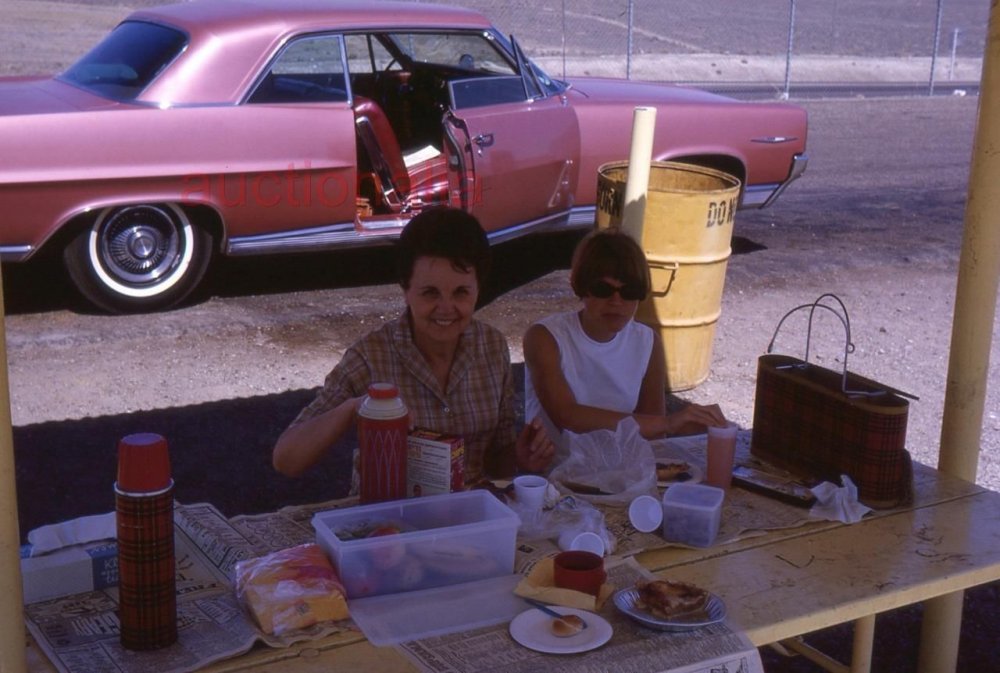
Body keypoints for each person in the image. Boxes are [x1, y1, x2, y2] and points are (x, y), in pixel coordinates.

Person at [273, 207, 554, 485]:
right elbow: (286, 459)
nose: (446, 308)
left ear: (478, 288)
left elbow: (497, 463)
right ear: (405, 290)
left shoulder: (492, 347)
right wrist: (353, 409)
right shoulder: (370, 356)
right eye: (430, 293)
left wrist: (521, 457)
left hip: (472, 507)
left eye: (461, 292)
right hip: (392, 510)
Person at [524, 229, 726, 459]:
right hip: (556, 471)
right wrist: (670, 423)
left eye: (630, 291)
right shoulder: (545, 337)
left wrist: (690, 426)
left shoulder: (647, 342)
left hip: (621, 469)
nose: (616, 301)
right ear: (580, 287)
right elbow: (567, 416)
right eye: (603, 289)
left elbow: (654, 435)